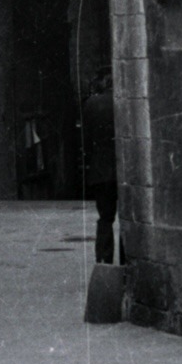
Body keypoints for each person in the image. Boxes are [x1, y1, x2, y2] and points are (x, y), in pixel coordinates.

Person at [81, 67, 119, 264]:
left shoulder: (91, 104)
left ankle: (104, 261)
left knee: (105, 218)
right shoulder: (124, 102)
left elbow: (85, 140)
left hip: (100, 170)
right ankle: (128, 262)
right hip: (124, 171)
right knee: (129, 220)